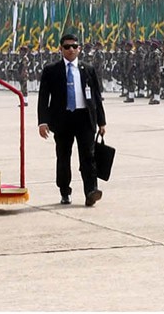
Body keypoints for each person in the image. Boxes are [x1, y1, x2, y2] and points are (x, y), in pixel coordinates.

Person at [38, 33, 107, 207]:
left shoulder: (88, 69)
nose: (71, 50)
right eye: (67, 47)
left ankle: (91, 191)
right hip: (62, 120)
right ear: (60, 49)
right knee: (63, 157)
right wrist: (43, 122)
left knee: (88, 157)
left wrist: (101, 122)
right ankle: (64, 191)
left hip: (84, 118)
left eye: (74, 46)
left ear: (79, 49)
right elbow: (43, 98)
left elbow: (97, 98)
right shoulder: (51, 70)